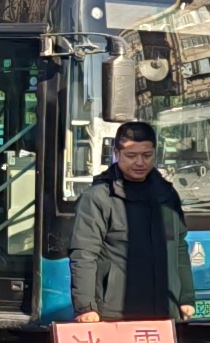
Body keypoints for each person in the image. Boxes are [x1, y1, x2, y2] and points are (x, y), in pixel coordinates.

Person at [72, 118, 192, 322]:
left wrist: (185, 297)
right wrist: (85, 307)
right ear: (116, 154)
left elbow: (178, 246)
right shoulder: (98, 197)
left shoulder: (166, 195)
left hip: (164, 310)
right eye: (131, 155)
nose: (140, 162)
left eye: (146, 155)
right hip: (114, 312)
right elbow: (84, 254)